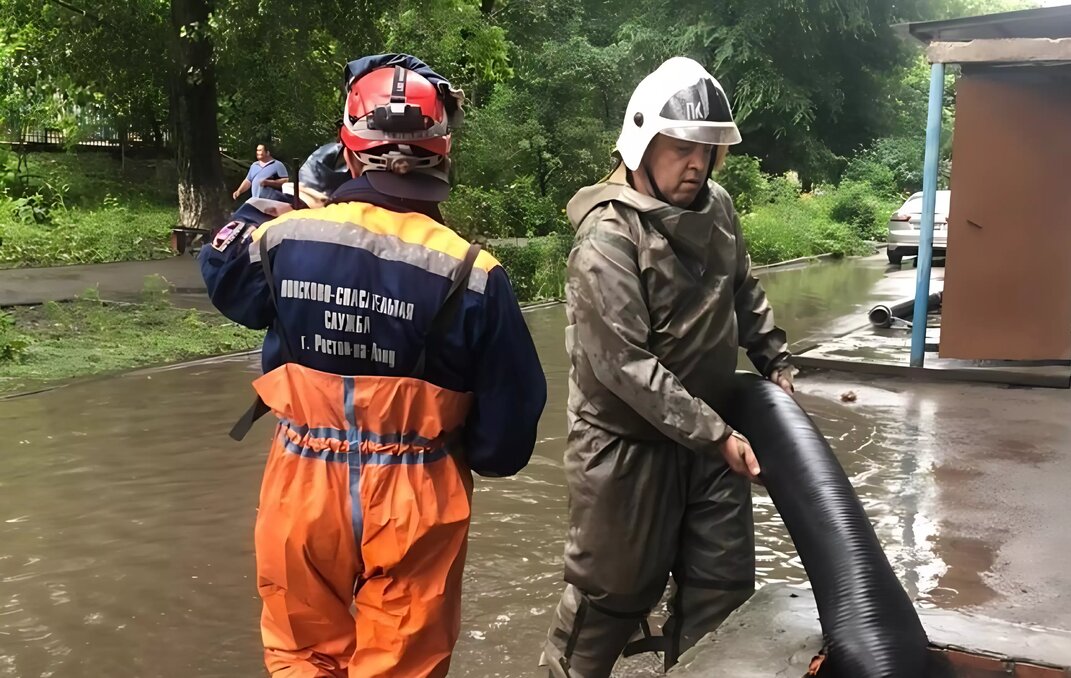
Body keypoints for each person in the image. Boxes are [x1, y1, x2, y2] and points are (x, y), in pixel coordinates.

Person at [200, 53, 547, 678]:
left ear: (348, 152)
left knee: (303, 658)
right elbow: (505, 445)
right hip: (416, 496)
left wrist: (264, 204)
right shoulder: (475, 274)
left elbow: (223, 273)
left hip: (302, 483)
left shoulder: (285, 239)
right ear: (442, 155)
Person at [542, 57, 795, 677]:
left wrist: (776, 362)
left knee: (722, 603)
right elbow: (625, 365)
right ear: (642, 144)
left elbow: (743, 290)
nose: (695, 165)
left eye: (706, 151)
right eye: (681, 148)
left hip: (714, 452)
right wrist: (720, 435)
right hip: (627, 455)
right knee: (608, 602)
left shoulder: (719, 210)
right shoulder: (608, 238)